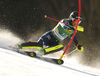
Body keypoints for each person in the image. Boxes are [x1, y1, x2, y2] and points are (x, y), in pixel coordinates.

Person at [17, 11, 84, 56]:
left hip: (55, 42)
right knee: (39, 45)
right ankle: (20, 45)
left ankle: (41, 52)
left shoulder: (73, 30)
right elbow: (64, 26)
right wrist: (74, 28)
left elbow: (73, 37)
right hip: (49, 36)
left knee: (61, 47)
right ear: (71, 19)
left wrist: (77, 45)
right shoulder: (64, 21)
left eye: (78, 22)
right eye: (75, 21)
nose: (76, 23)